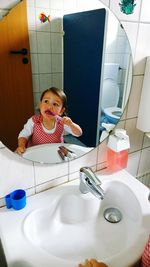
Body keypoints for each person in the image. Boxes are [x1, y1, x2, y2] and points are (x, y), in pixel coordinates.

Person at [16, 87, 82, 155]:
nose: (49, 107)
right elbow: (23, 135)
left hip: (55, 154)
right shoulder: (33, 121)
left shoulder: (61, 122)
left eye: (55, 104)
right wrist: (21, 145)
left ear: (61, 111)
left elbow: (78, 133)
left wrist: (71, 124)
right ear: (40, 104)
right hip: (36, 155)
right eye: (46, 101)